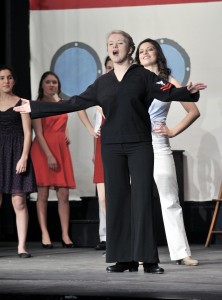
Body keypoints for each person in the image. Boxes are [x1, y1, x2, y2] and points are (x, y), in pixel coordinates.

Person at [14, 30, 207, 273]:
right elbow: (73, 103)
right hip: (112, 147)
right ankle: (123, 258)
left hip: (140, 144)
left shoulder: (144, 76)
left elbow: (167, 91)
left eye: (119, 43)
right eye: (110, 44)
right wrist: (33, 106)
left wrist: (188, 91)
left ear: (129, 48)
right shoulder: (102, 82)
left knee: (142, 199)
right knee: (117, 201)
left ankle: (148, 260)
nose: (114, 47)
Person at [135, 38, 200, 266]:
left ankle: (182, 253)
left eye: (149, 49)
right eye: (141, 51)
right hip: (136, 144)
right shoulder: (132, 80)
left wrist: (172, 131)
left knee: (170, 199)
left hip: (159, 143)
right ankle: (140, 255)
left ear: (157, 53)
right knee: (139, 200)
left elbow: (193, 111)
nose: (145, 53)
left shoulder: (169, 81)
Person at [30, 71, 76, 249]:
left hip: (61, 150)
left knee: (63, 194)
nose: (51, 85)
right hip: (43, 151)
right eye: (48, 82)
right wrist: (49, 155)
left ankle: (65, 234)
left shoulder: (61, 104)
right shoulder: (37, 105)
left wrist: (66, 134)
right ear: (42, 85)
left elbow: (63, 123)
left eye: (55, 82)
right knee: (43, 194)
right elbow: (39, 133)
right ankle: (45, 234)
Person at [77, 56, 114, 253]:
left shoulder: (127, 85)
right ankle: (107, 236)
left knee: (120, 195)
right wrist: (92, 132)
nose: (110, 70)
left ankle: (120, 235)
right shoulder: (100, 87)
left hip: (120, 144)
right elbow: (79, 105)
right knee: (103, 198)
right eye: (108, 67)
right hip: (102, 146)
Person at [0, 66, 37, 258]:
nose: (6, 81)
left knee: (19, 201)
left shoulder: (22, 102)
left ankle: (21, 246)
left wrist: (24, 157)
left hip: (16, 153)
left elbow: (27, 133)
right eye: (2, 78)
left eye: (9, 77)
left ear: (13, 81)